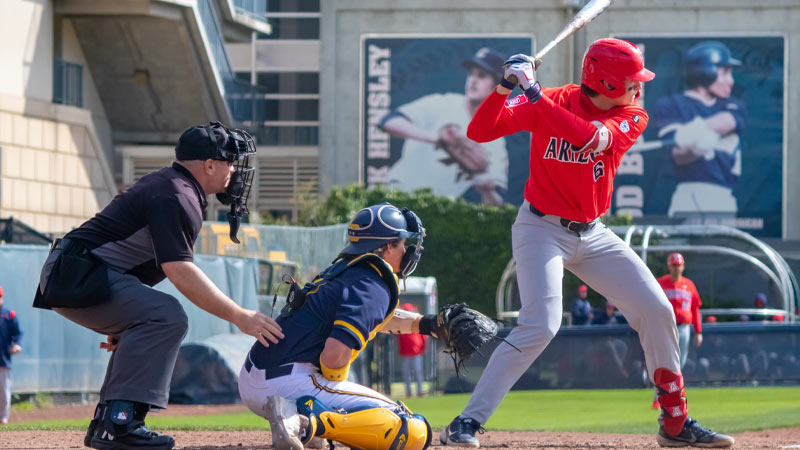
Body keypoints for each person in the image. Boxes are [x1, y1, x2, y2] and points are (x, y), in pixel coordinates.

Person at [439, 38, 734, 448]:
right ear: (608, 84)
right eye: (633, 81)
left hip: (594, 234)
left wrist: (534, 94)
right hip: (540, 229)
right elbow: (481, 129)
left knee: (656, 308)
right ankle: (466, 421)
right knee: (541, 325)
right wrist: (505, 88)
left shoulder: (633, 115)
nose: (639, 87)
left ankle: (674, 422)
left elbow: (587, 138)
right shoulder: (556, 99)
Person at [32, 122, 283, 450]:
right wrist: (239, 315)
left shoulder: (173, 186)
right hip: (76, 272)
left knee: (155, 317)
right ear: (209, 165)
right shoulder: (176, 193)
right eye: (231, 162)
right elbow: (180, 272)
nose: (235, 171)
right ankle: (120, 425)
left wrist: (125, 320)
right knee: (167, 315)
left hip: (79, 270)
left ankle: (109, 425)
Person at [238, 203, 436, 450]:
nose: (406, 250)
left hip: (260, 372)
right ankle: (308, 424)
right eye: (402, 242)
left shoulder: (348, 271)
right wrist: (334, 385)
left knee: (362, 421)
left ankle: (298, 415)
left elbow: (375, 318)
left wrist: (428, 324)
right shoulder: (373, 283)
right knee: (412, 429)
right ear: (387, 246)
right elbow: (333, 358)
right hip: (287, 381)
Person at [380, 47, 509, 205]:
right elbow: (388, 121)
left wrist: (487, 190)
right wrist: (435, 138)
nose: (472, 80)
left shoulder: (495, 138)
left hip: (438, 208)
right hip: (398, 192)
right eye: (471, 74)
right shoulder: (443, 104)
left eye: (481, 76)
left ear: (496, 86)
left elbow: (496, 203)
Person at [651, 41, 748, 221]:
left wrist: (692, 132)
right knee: (685, 247)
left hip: (723, 196)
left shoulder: (732, 104)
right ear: (705, 71)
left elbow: (728, 121)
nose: (731, 81)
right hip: (688, 194)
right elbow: (678, 155)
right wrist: (695, 147)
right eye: (725, 72)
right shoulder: (671, 105)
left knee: (723, 248)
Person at [652, 252, 703, 409]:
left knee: (679, 364)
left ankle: (673, 398)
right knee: (664, 362)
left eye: (678, 265)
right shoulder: (660, 283)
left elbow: (695, 309)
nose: (676, 268)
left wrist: (698, 331)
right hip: (666, 327)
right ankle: (658, 398)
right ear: (669, 266)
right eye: (674, 265)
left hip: (684, 328)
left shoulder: (689, 285)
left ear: (683, 266)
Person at [0, 287, 22, 425]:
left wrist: (16, 344)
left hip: (3, 359)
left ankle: (3, 418)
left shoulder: (9, 315)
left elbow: (18, 333)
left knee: (4, 392)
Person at [397, 303, 427, 397]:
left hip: (416, 352)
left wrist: (422, 348)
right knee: (406, 374)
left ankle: (420, 391)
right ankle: (408, 392)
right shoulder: (401, 323)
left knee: (418, 372)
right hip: (405, 353)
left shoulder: (416, 321)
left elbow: (423, 337)